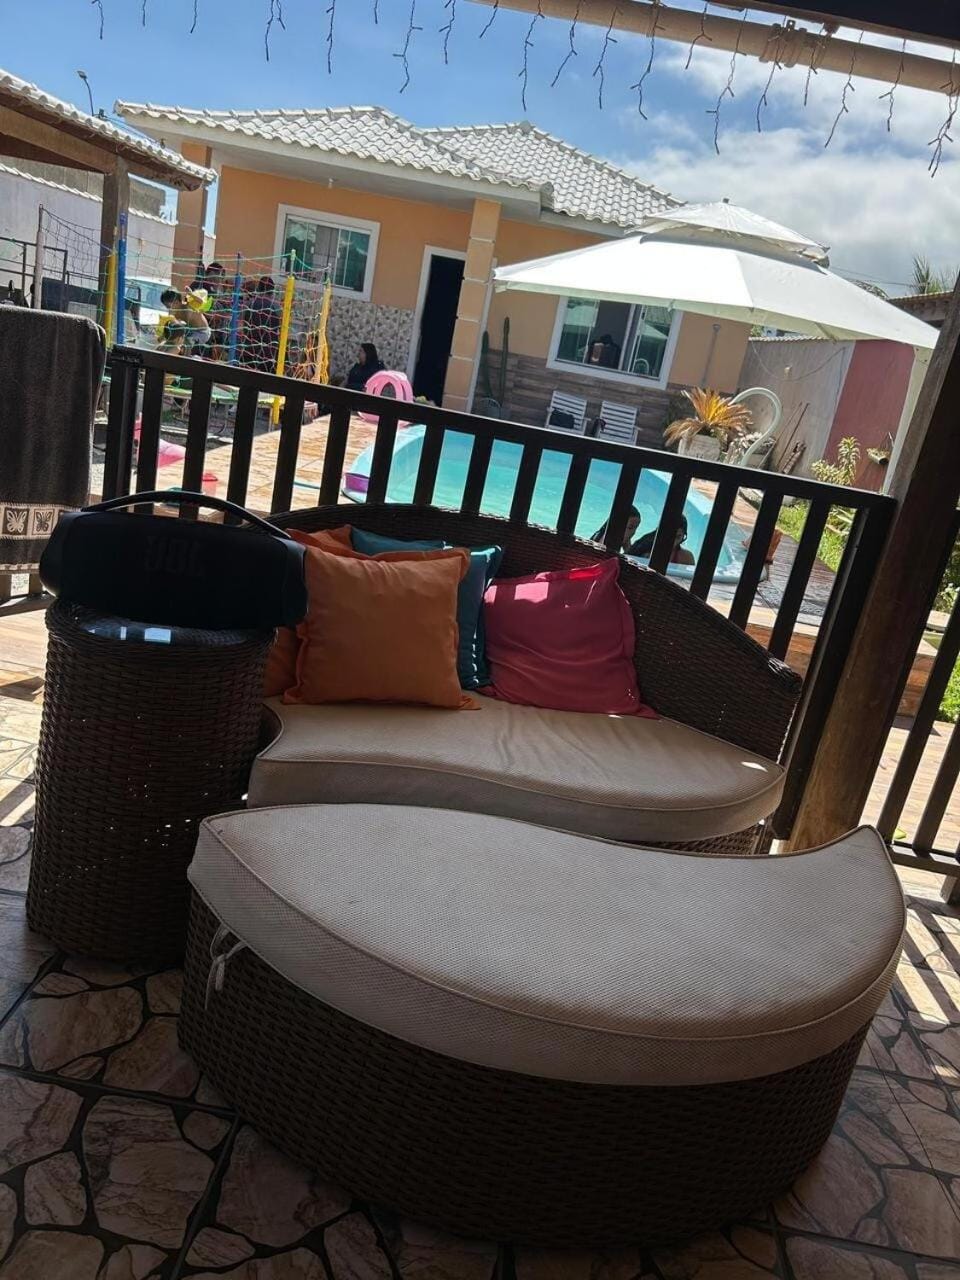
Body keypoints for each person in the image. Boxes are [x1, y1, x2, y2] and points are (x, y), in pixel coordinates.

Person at [159, 289, 210, 355]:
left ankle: (186, 359)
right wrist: (163, 335)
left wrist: (191, 294)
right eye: (166, 307)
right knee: (172, 340)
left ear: (176, 302)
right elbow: (173, 327)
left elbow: (201, 302)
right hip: (190, 331)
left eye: (168, 306)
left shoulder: (189, 305)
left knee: (186, 342)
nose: (168, 309)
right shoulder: (175, 313)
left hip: (202, 332)